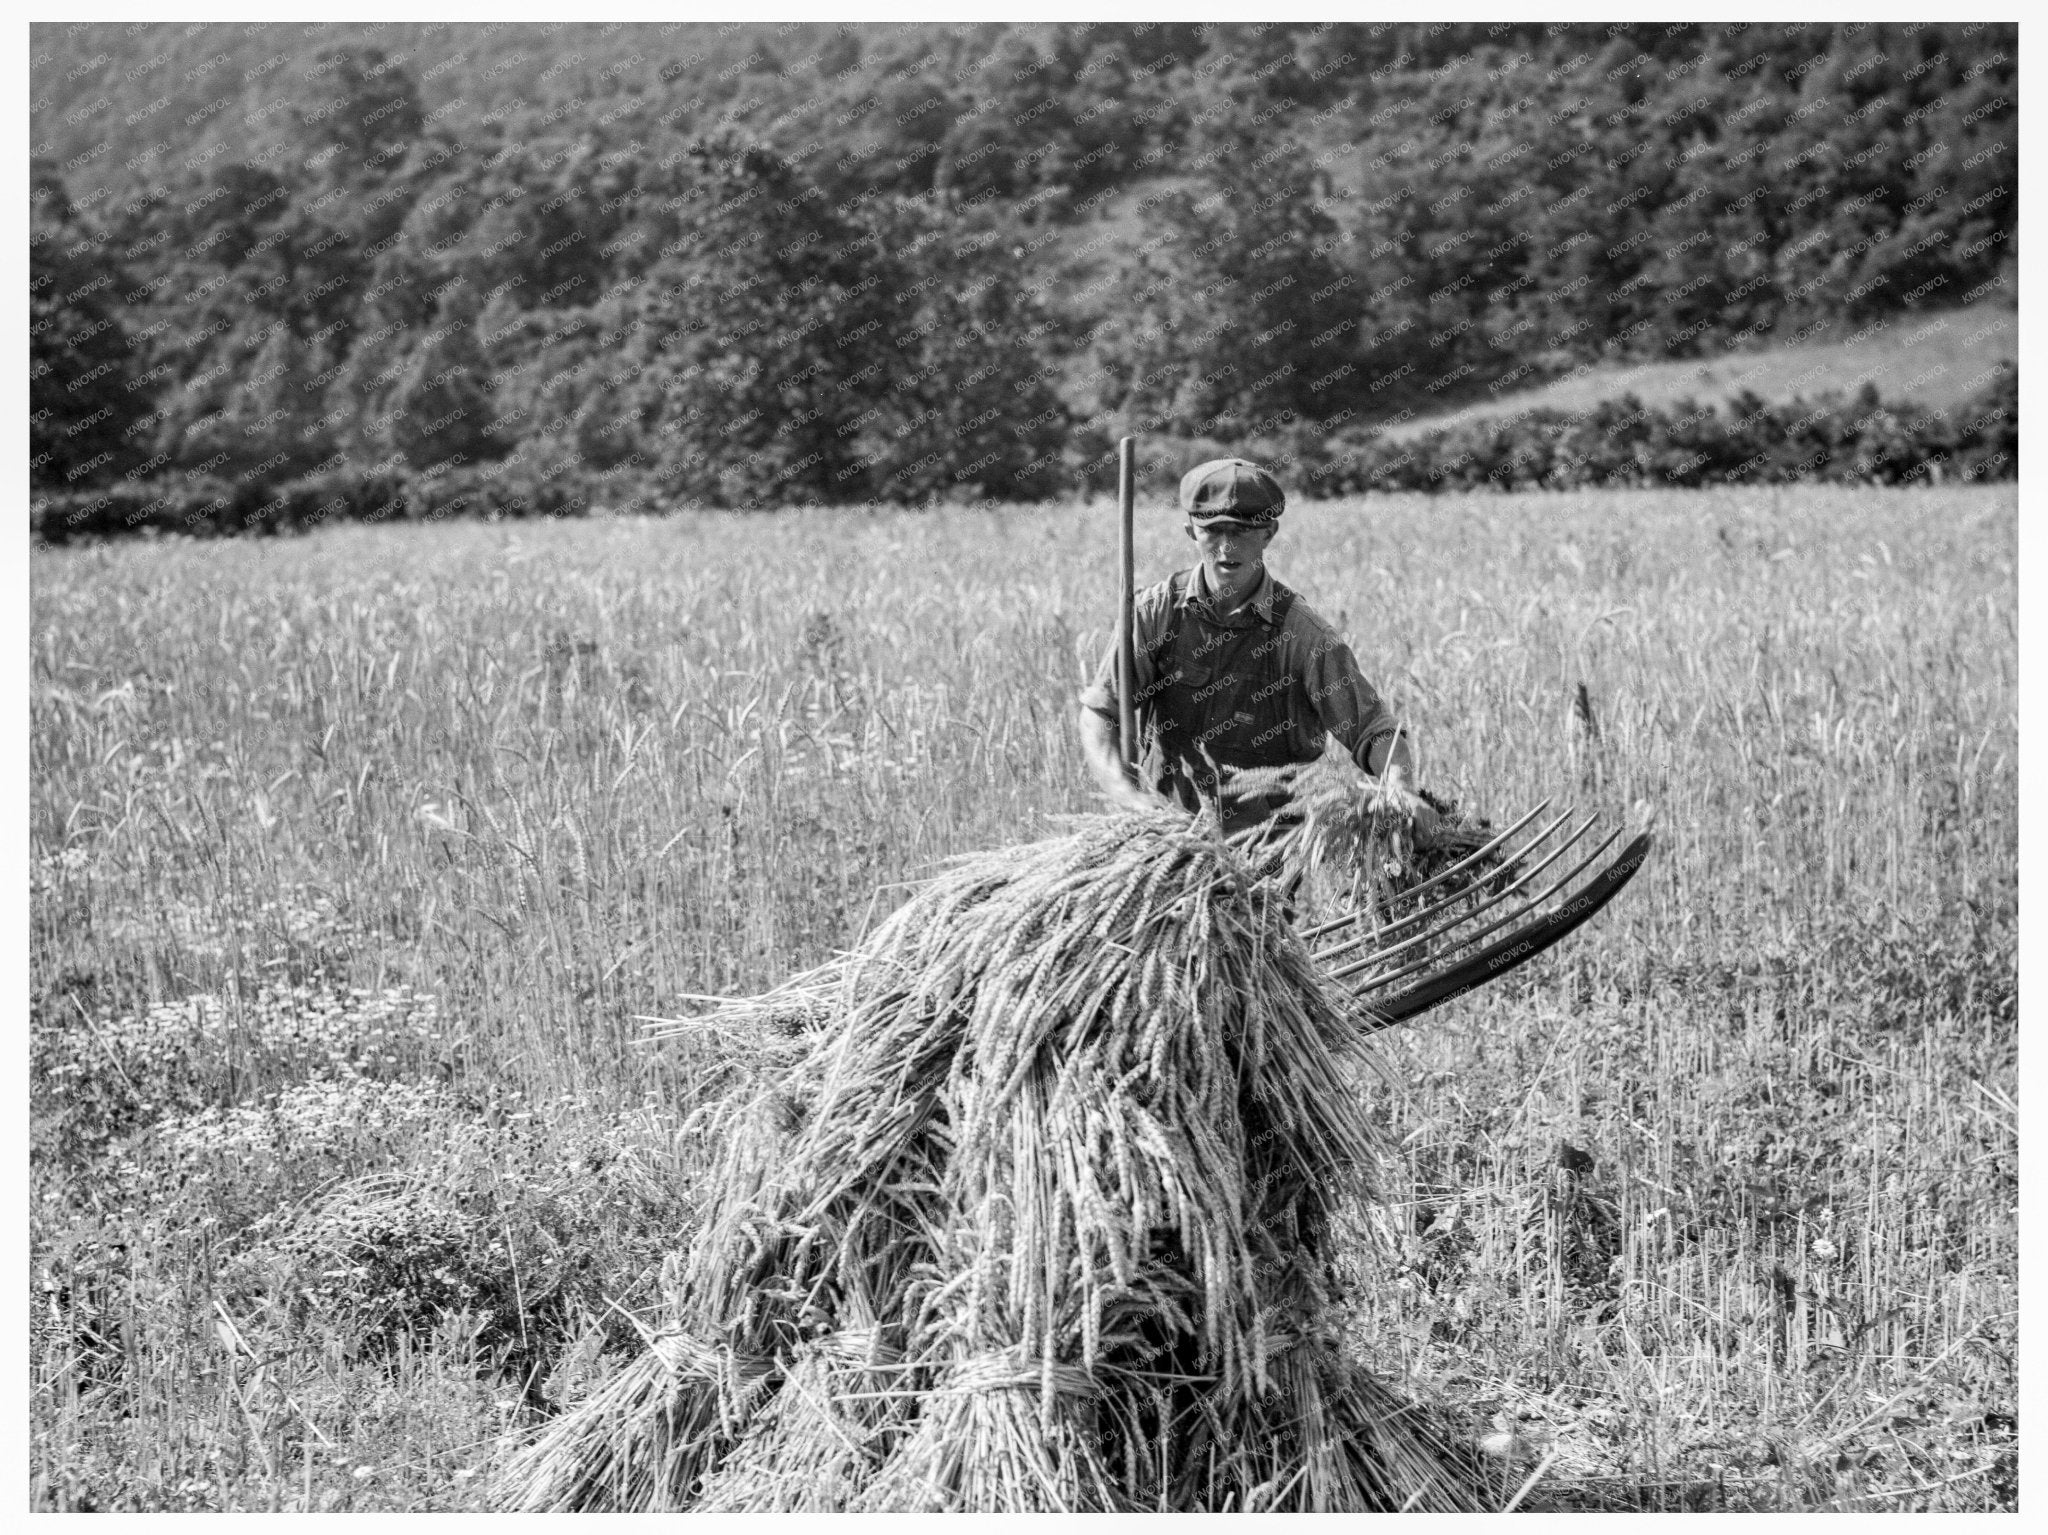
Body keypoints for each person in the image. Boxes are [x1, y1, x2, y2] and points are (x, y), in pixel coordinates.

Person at [1077, 456, 1439, 840]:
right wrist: (1128, 798)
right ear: (1190, 532)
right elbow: (1101, 711)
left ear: (1268, 533)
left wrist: (1400, 789)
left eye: (1243, 531)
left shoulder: (1303, 635)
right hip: (1166, 840)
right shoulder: (1155, 613)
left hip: (1270, 854)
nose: (1226, 547)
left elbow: (1374, 729)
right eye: (1213, 530)